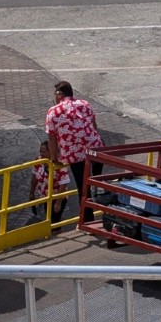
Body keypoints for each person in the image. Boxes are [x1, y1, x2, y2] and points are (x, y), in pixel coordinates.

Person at [44, 81, 102, 224]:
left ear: (60, 94)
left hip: (76, 155)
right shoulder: (85, 104)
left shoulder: (53, 111)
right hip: (96, 148)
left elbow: (51, 138)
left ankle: (87, 220)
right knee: (97, 182)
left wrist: (53, 158)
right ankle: (99, 190)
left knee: (83, 188)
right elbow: (94, 127)